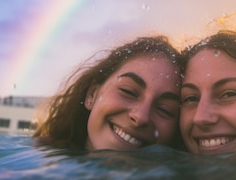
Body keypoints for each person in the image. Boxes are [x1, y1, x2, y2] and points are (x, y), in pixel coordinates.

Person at [34, 36, 184, 150]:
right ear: (91, 95)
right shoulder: (34, 161)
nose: (141, 117)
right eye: (128, 92)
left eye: (165, 109)